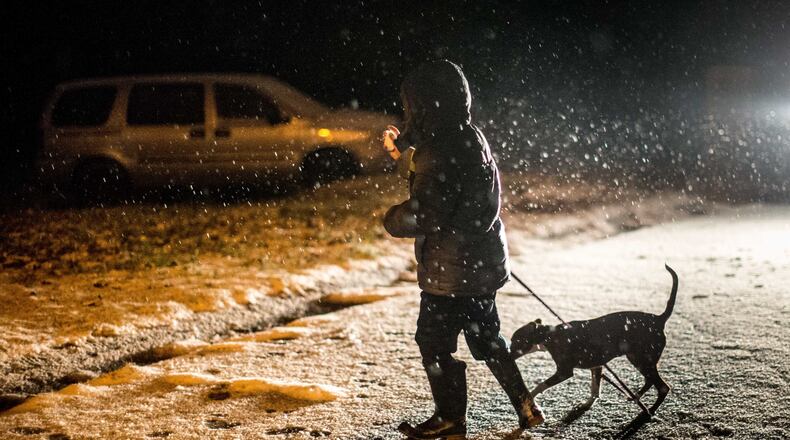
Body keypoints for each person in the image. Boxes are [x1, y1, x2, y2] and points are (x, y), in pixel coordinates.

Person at [382, 60, 544, 439]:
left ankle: (450, 419)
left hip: (451, 270)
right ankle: (525, 404)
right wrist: (402, 143)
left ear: (423, 105)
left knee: (434, 343)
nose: (407, 111)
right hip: (478, 262)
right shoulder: (467, 134)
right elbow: (437, 153)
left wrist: (392, 218)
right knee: (487, 340)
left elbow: (427, 214)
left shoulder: (439, 150)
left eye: (411, 105)